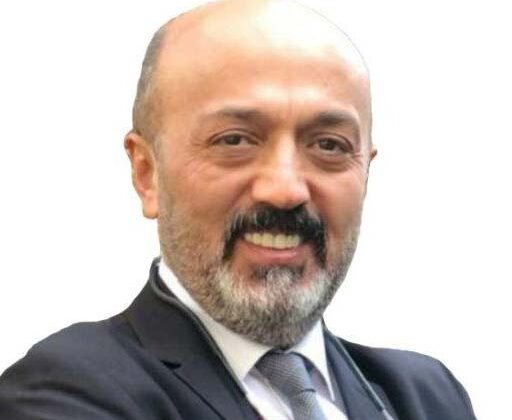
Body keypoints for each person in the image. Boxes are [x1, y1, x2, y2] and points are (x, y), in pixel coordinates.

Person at [0, 0, 477, 419]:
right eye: (235, 140)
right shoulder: (68, 391)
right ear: (147, 173)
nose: (285, 190)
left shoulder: (424, 397)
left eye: (329, 145)